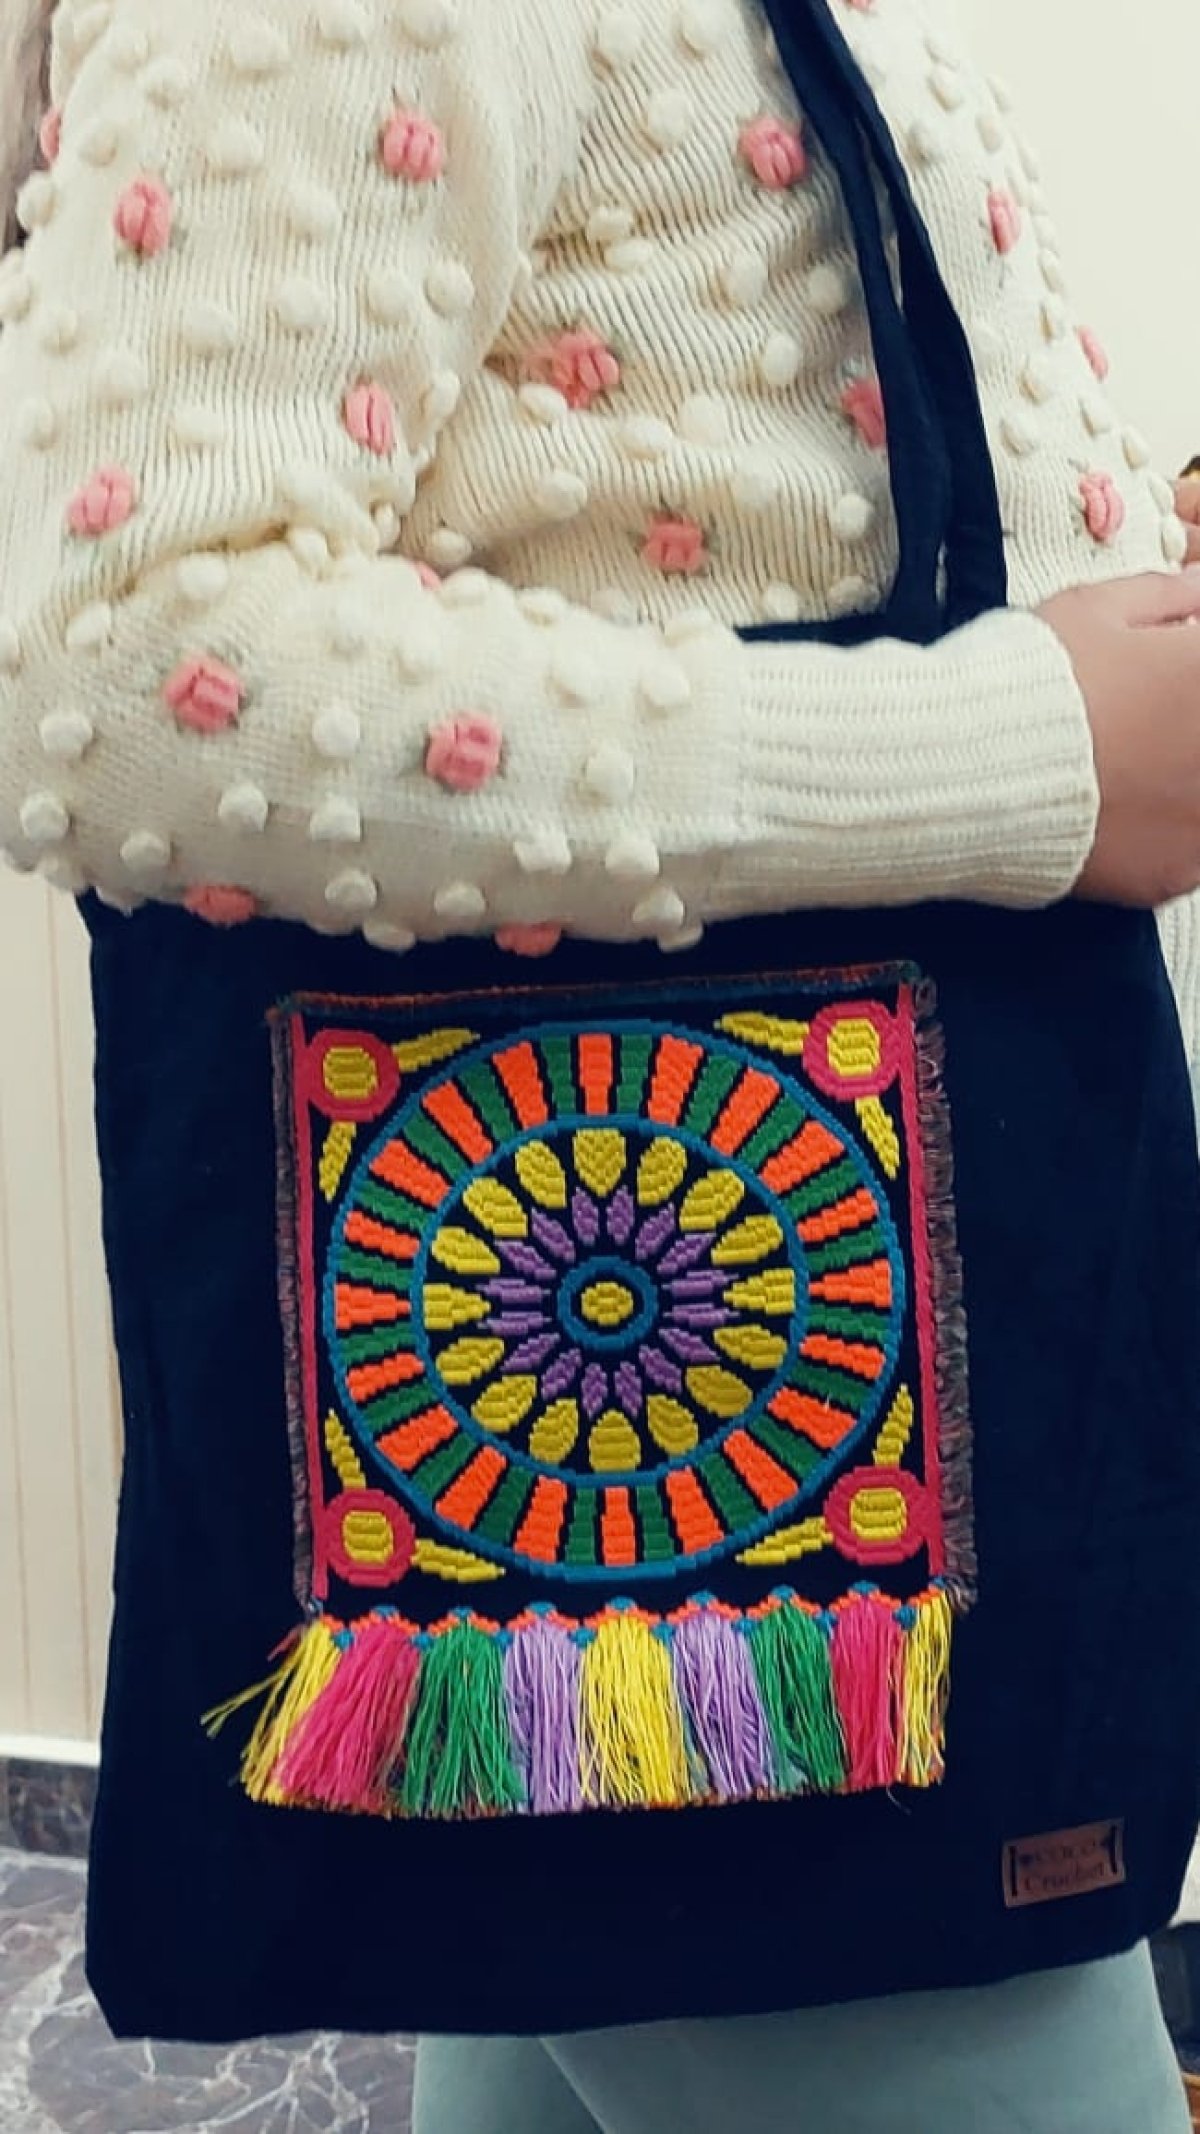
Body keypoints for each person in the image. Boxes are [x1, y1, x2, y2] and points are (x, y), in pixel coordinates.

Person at [1, 4, 1199, 2131]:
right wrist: (1019, 745)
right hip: (739, 1491)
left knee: (573, 1962)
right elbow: (115, 660)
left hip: (660, 1502)